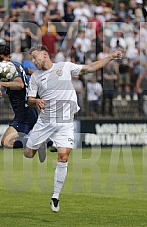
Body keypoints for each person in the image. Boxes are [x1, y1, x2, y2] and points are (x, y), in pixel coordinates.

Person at [24, 45, 122, 212]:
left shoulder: (65, 67)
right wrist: (36, 101)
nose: (33, 61)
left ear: (45, 55)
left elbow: (91, 67)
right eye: (32, 59)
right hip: (45, 121)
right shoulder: (36, 78)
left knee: (63, 157)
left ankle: (55, 196)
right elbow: (30, 99)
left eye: (35, 57)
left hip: (66, 122)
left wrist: (111, 57)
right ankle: (44, 143)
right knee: (28, 154)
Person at [0, 43, 38, 149]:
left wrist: (1, 84)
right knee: (6, 142)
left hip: (25, 113)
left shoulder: (12, 68)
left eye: (1, 59)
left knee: (6, 142)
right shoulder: (17, 65)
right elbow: (31, 71)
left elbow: (19, 84)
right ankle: (39, 140)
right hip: (26, 111)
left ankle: (39, 141)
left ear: (9, 57)